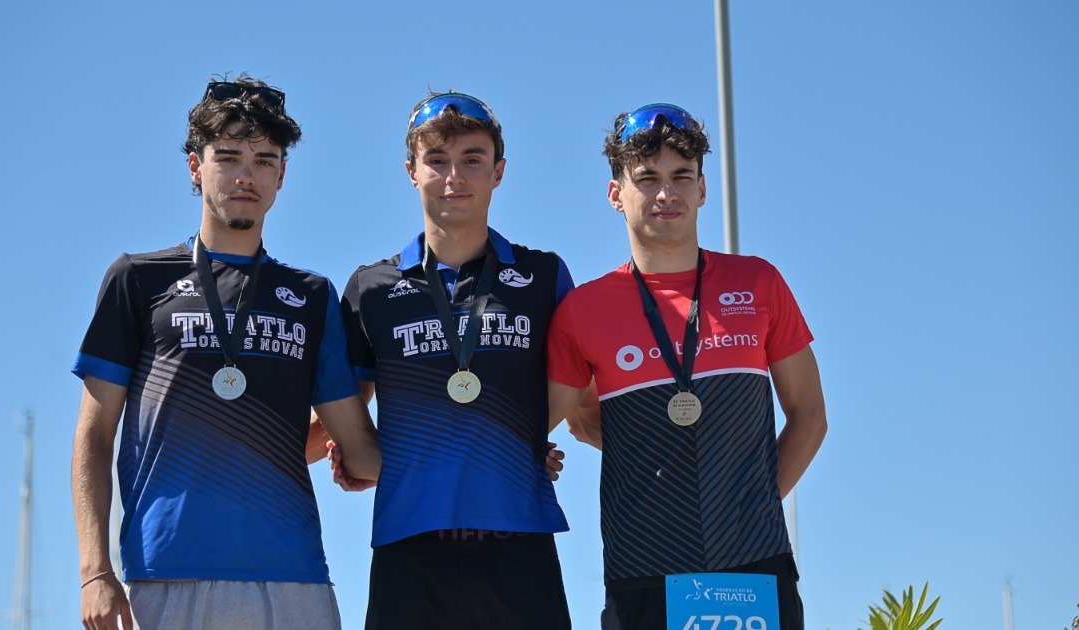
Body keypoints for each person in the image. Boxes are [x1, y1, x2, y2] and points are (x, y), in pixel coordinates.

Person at [70, 74, 380, 630]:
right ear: (196, 166)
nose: (246, 175)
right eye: (229, 156)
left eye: (265, 159)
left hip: (294, 579)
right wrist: (95, 571)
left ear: (282, 174)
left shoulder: (311, 297)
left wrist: (508, 457)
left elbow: (357, 444)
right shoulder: (137, 280)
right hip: (163, 576)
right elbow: (94, 434)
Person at [546, 103, 827, 630]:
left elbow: (810, 415)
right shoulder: (583, 310)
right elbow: (570, 420)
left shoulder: (760, 282)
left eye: (682, 177)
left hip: (755, 560)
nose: (665, 194)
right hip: (642, 564)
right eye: (647, 178)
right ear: (616, 195)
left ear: (702, 189)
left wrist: (751, 502)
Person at [336, 91, 573, 629]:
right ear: (411, 171)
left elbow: (574, 392)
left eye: (472, 159)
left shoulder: (544, 277)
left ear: (499, 171)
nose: (454, 177)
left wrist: (524, 440)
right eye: (437, 161)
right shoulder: (370, 288)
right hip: (410, 552)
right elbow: (344, 415)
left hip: (520, 548)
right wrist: (350, 455)